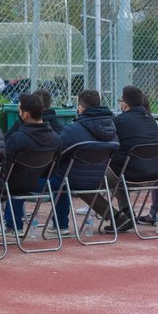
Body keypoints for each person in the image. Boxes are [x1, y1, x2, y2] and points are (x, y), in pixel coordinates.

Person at [88, 85, 158, 233]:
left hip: (130, 174)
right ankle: (127, 215)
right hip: (153, 175)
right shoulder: (152, 121)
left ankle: (115, 217)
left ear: (124, 104)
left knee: (85, 183)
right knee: (117, 175)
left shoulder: (119, 121)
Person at [52, 89, 117, 232]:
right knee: (70, 177)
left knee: (58, 178)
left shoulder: (73, 129)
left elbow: (57, 155)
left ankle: (61, 225)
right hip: (99, 178)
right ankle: (118, 217)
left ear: (80, 108)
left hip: (72, 180)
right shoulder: (112, 128)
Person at [3, 93, 61, 233]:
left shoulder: (17, 138)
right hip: (44, 182)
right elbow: (55, 167)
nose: (19, 112)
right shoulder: (56, 138)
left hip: (17, 184)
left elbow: (5, 165)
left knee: (8, 180)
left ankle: (13, 226)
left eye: (19, 110)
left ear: (26, 114)